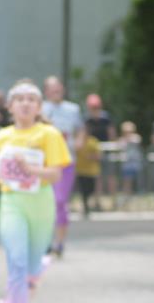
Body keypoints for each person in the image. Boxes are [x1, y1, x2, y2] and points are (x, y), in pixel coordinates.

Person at [0, 80, 70, 303]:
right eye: (19, 99)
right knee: (16, 262)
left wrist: (32, 171)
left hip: (41, 202)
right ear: (10, 106)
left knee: (30, 268)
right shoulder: (3, 135)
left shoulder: (49, 134)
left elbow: (55, 174)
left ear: (39, 106)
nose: (25, 103)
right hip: (12, 202)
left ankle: (22, 299)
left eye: (31, 99)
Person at [41, 75, 83, 256]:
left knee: (60, 201)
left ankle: (59, 243)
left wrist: (79, 142)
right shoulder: (40, 108)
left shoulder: (73, 109)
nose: (55, 92)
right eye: (51, 89)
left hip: (66, 161)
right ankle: (45, 242)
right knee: (44, 202)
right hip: (44, 163)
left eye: (58, 88)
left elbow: (80, 129)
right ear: (46, 91)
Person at [84, 93, 116, 209]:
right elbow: (86, 136)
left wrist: (111, 147)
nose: (95, 110)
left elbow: (111, 134)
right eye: (93, 108)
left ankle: (113, 202)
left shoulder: (106, 118)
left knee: (110, 177)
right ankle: (98, 202)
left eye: (96, 107)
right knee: (97, 178)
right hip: (94, 154)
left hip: (106, 151)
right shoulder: (87, 120)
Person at [74, 120, 102, 217]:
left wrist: (90, 157)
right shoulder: (77, 141)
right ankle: (85, 206)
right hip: (81, 170)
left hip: (91, 171)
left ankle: (88, 204)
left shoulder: (93, 141)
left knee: (90, 189)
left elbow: (98, 156)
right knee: (83, 190)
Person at [118, 120, 143, 208]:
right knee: (127, 182)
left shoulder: (136, 138)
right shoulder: (122, 140)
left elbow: (136, 141)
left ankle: (136, 201)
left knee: (137, 183)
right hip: (127, 165)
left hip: (135, 165)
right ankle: (126, 199)